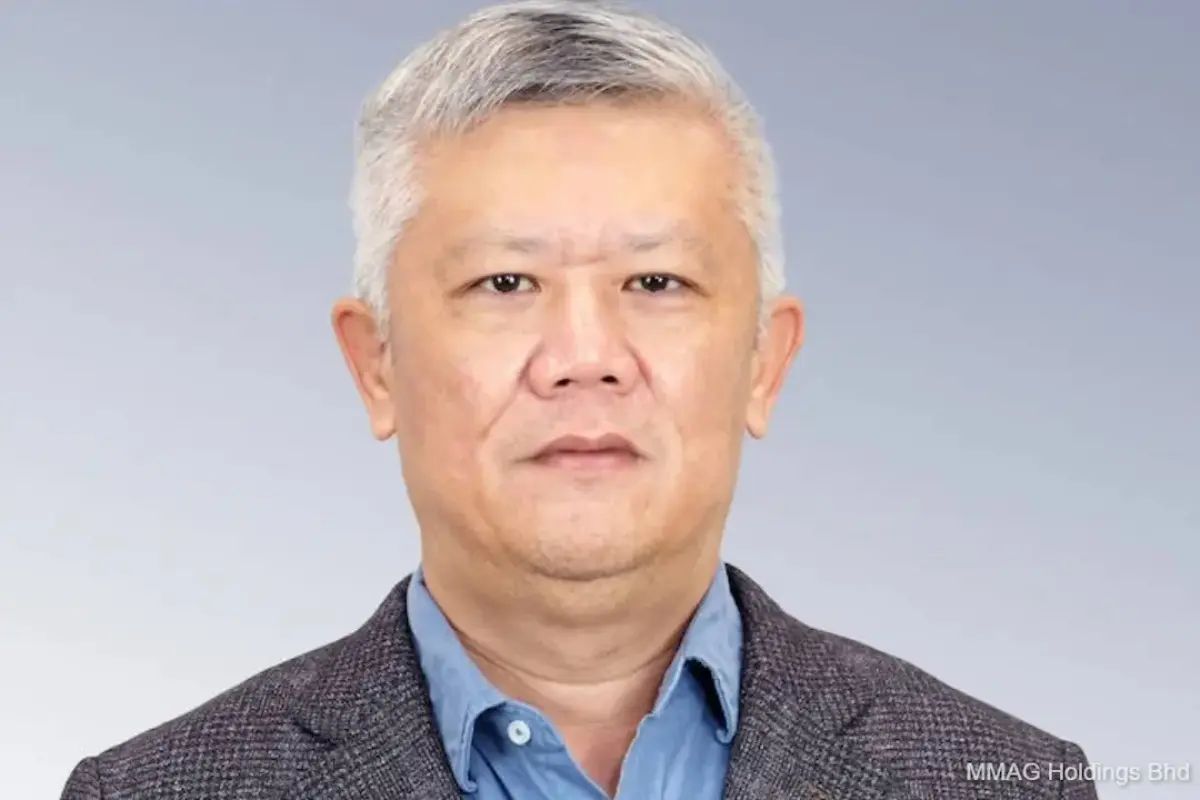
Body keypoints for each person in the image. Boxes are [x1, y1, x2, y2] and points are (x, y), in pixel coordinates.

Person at [60, 2, 1099, 798]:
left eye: (656, 281)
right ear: (376, 364)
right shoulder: (154, 790)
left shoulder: (1003, 780)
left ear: (764, 362)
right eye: (505, 282)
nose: (585, 357)